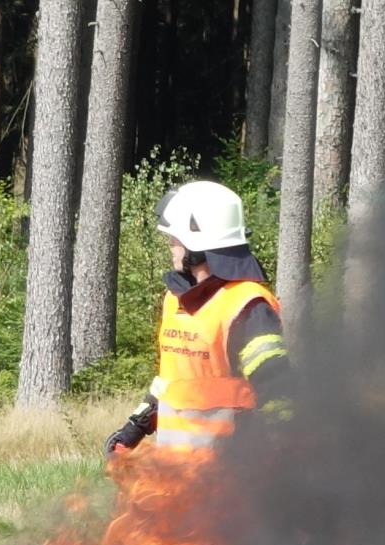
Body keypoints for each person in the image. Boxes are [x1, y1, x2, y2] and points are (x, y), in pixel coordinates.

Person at [105, 180, 292, 457]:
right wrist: (137, 425)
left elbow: (277, 390)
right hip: (175, 470)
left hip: (228, 472)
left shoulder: (247, 306)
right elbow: (172, 381)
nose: (170, 244)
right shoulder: (174, 300)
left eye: (176, 237)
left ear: (198, 243)